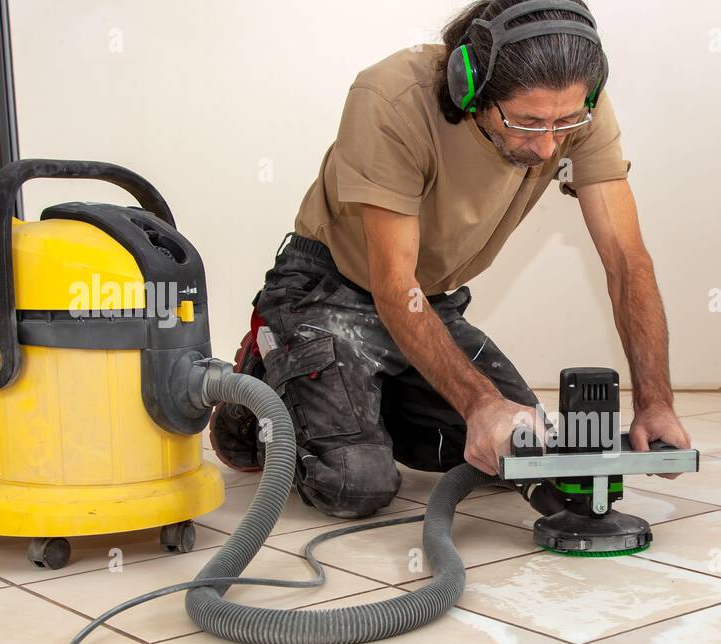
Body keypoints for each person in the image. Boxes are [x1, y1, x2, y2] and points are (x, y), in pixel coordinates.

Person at [210, 0, 691, 517]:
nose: (550, 148)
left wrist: (655, 402)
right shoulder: (391, 99)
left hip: (428, 303)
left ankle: (364, 400)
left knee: (523, 449)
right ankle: (262, 386)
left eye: (565, 123)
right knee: (356, 485)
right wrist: (480, 403)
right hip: (331, 290)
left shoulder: (569, 105)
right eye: (527, 123)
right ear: (471, 89)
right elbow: (393, 282)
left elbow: (626, 260)